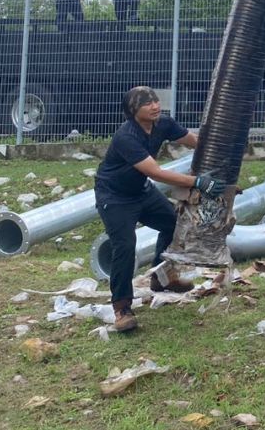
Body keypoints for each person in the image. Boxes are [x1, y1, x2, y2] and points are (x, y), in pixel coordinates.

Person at [94, 85, 226, 332]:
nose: (155, 105)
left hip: (140, 191)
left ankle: (161, 278)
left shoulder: (163, 124)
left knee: (173, 224)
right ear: (134, 110)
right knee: (124, 245)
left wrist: (219, 155)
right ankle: (122, 309)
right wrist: (197, 182)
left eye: (155, 100)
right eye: (147, 103)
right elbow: (155, 172)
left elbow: (194, 141)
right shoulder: (126, 137)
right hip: (114, 196)